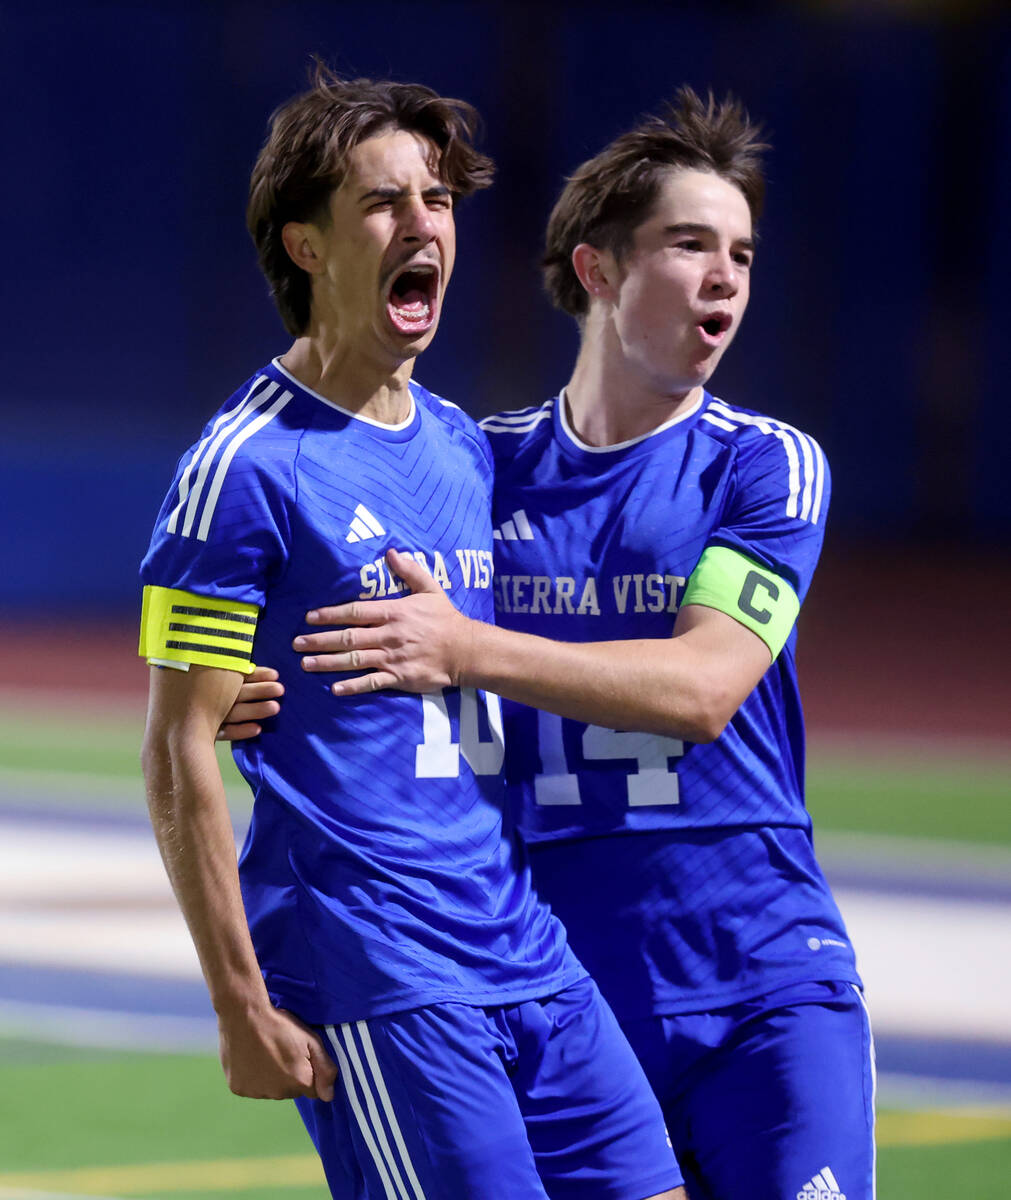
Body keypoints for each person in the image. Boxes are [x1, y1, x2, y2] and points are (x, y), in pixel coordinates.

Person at [236, 88, 875, 1200]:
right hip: (561, 987)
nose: (726, 277)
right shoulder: (474, 466)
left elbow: (702, 688)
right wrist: (257, 684)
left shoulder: (765, 467)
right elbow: (338, 611)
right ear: (596, 271)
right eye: (690, 244)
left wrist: (466, 649)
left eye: (743, 253)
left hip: (763, 986)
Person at [139, 66, 685, 1200]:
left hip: (521, 944)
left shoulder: (464, 450)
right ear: (306, 246)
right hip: (379, 967)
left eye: (436, 200)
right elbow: (176, 743)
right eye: (385, 202)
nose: (424, 224)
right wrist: (240, 1006)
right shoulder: (243, 468)